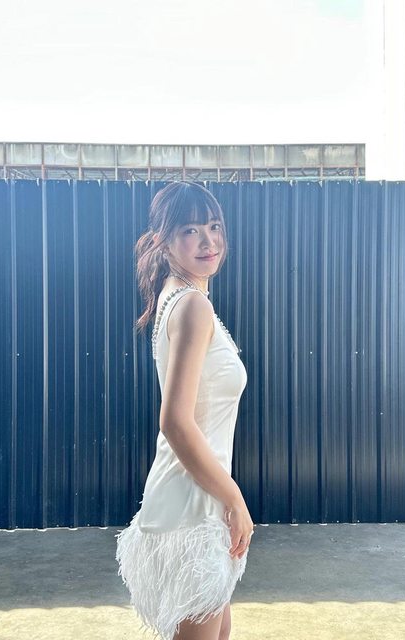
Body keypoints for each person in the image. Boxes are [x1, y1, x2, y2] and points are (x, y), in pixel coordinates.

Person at [115, 181, 254, 640]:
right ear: (164, 241)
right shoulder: (192, 305)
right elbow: (176, 421)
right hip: (195, 506)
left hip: (196, 499)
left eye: (214, 226)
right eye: (190, 230)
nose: (208, 240)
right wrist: (234, 498)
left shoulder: (177, 296)